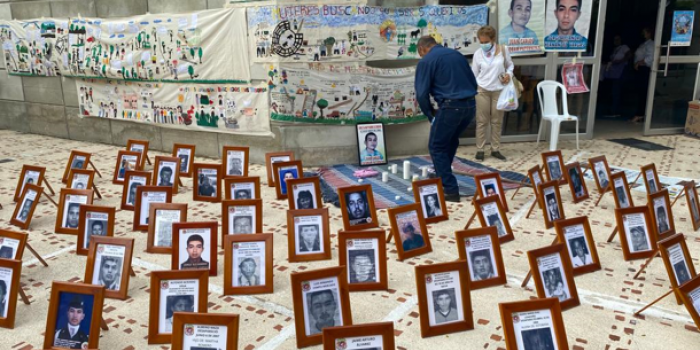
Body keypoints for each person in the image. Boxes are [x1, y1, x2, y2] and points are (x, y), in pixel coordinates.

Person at [415, 35, 477, 202]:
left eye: (420, 54)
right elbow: (472, 81)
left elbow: (421, 94)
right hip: (470, 105)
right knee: (450, 141)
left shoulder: (426, 61)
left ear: (422, 49)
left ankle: (450, 189)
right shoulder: (456, 55)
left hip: (451, 106)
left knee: (436, 146)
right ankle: (440, 175)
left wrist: (430, 114)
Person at [473, 26, 513, 161]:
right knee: (481, 121)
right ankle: (480, 149)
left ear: (493, 39)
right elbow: (474, 73)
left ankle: (495, 149)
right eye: (481, 42)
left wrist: (509, 74)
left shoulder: (503, 50)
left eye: (486, 42)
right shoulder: (478, 53)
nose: (483, 44)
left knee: (497, 121)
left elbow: (510, 65)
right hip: (482, 90)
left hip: (498, 90)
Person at [604, 35, 631, 117]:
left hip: (620, 72)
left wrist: (620, 61)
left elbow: (629, 55)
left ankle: (615, 110)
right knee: (613, 90)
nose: (616, 41)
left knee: (616, 90)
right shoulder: (615, 49)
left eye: (617, 39)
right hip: (614, 72)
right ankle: (612, 109)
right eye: (614, 39)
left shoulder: (624, 47)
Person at [632, 27, 654, 124]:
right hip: (640, 70)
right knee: (640, 92)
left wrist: (640, 63)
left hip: (645, 69)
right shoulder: (643, 44)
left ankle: (640, 114)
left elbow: (650, 57)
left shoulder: (651, 44)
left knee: (643, 93)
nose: (643, 34)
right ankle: (639, 114)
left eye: (645, 32)